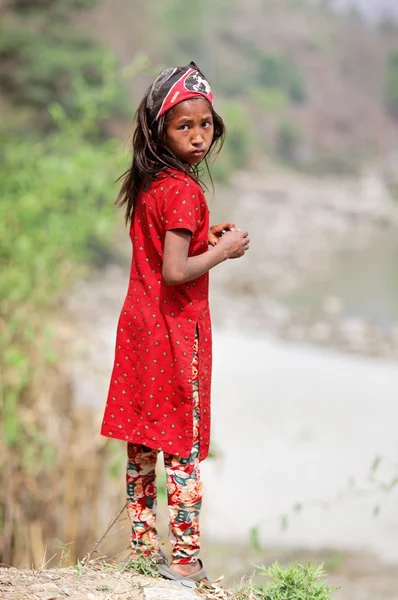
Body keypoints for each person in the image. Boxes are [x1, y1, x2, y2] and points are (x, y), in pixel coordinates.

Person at [101, 62, 250, 583]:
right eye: (183, 126)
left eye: (205, 124)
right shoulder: (186, 191)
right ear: (160, 129)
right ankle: (185, 562)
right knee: (182, 449)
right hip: (173, 332)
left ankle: (143, 554)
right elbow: (175, 270)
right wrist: (225, 251)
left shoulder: (152, 183)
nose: (198, 136)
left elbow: (168, 248)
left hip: (138, 329)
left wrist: (207, 238)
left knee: (141, 443)